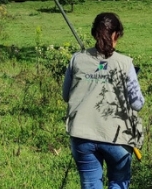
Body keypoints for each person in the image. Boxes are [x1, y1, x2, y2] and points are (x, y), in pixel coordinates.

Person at [62, 12, 145, 189]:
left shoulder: (77, 59)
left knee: (91, 184)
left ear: (94, 34)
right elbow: (137, 103)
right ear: (116, 35)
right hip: (117, 137)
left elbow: (66, 95)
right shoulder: (125, 63)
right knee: (118, 183)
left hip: (82, 136)